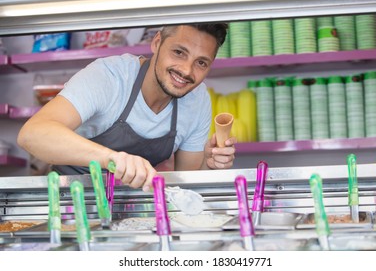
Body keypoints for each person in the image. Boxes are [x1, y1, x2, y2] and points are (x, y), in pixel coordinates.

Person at [17, 23, 236, 192]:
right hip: (70, 201)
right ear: (157, 43)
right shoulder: (109, 76)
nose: (187, 71)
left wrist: (210, 166)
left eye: (201, 63)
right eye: (179, 52)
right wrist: (113, 159)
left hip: (134, 206)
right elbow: (32, 135)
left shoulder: (197, 100)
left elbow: (184, 181)